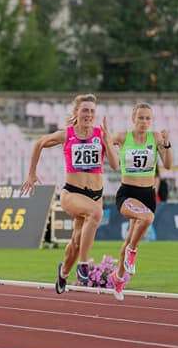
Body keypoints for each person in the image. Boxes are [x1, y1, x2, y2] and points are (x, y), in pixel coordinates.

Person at [21, 94, 118, 296]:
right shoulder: (67, 134)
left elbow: (115, 165)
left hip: (96, 194)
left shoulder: (101, 134)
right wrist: (31, 173)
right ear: (76, 113)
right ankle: (83, 265)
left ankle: (64, 272)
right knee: (95, 215)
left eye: (92, 111)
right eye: (85, 110)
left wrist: (108, 141)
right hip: (72, 193)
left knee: (75, 241)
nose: (88, 114)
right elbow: (39, 143)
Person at [107, 103, 172, 298]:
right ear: (133, 119)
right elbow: (105, 148)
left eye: (147, 118)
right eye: (141, 118)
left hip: (148, 194)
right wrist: (105, 138)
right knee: (147, 219)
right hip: (128, 192)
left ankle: (118, 279)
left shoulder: (156, 138)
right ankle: (132, 253)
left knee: (128, 239)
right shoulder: (121, 137)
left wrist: (167, 143)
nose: (144, 122)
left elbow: (168, 165)